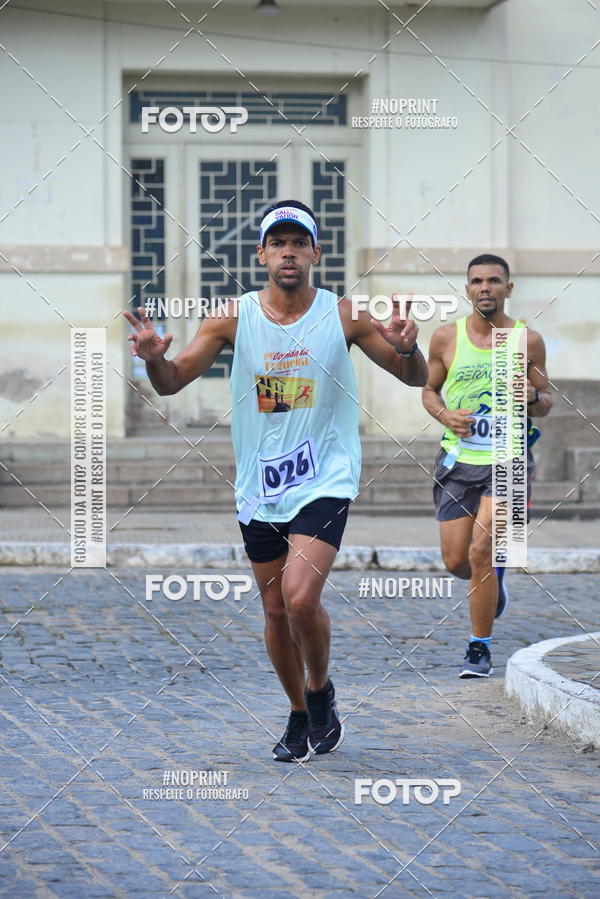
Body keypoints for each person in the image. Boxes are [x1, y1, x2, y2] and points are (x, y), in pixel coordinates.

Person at [124, 200, 427, 760]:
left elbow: (412, 377)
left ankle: (320, 691)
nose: (289, 252)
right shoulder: (231, 318)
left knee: (300, 596)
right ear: (261, 254)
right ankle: (298, 712)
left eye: (299, 243)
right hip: (260, 485)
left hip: (325, 477)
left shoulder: (344, 316)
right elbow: (171, 382)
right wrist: (151, 360)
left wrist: (410, 349)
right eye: (278, 243)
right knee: (275, 611)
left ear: (316, 253)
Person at [422, 254, 552, 678]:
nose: (485, 288)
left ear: (507, 289)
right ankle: (495, 581)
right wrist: (445, 416)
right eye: (477, 281)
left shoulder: (527, 340)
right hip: (458, 461)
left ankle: (479, 648)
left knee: (482, 550)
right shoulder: (445, 337)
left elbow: (547, 401)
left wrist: (532, 397)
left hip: (509, 459)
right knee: (456, 561)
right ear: (467, 289)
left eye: (494, 281)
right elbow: (429, 391)